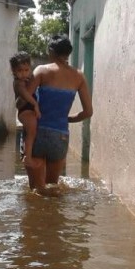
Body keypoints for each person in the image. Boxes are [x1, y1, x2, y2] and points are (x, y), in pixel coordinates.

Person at [24, 35, 92, 195]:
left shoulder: (41, 71)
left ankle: (35, 218)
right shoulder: (79, 76)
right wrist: (67, 119)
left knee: (35, 189)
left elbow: (24, 99)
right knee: (52, 187)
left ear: (51, 51)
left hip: (37, 133)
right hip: (60, 135)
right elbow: (88, 112)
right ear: (68, 53)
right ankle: (54, 218)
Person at [10, 51, 41, 167]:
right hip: (25, 111)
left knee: (29, 132)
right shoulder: (18, 83)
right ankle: (27, 157)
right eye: (20, 71)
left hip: (28, 109)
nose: (23, 74)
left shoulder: (27, 80)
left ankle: (25, 153)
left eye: (26, 70)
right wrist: (36, 105)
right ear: (13, 71)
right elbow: (26, 94)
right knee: (32, 131)